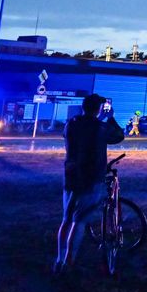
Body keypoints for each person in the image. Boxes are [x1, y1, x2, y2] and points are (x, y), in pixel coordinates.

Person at [53, 94, 124, 275]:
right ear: (99, 109)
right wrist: (110, 117)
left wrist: (99, 118)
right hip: (91, 178)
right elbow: (117, 136)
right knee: (80, 221)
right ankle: (69, 261)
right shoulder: (100, 127)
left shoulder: (72, 123)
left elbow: (86, 130)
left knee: (66, 219)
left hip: (71, 177)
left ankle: (59, 260)